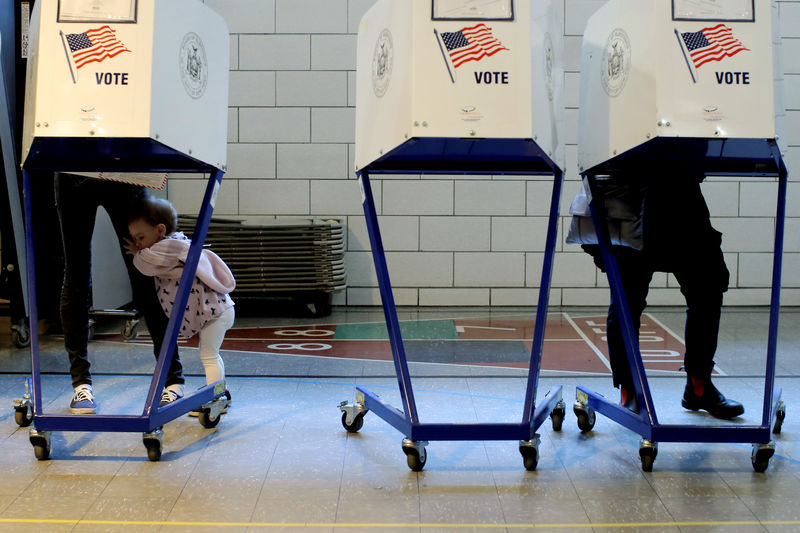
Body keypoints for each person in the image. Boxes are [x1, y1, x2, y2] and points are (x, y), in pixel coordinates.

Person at [566, 171, 744, 419]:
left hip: (682, 196)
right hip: (628, 198)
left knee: (708, 287)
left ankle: (699, 386)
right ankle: (629, 390)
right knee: (626, 301)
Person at [56, 173, 186, 414]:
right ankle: (81, 384)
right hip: (79, 159)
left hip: (117, 161)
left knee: (144, 267)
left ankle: (173, 380)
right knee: (77, 274)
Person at [124, 196, 235, 413]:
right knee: (211, 354)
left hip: (215, 312)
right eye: (134, 239)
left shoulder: (168, 248)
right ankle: (220, 391)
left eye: (140, 237)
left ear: (160, 230)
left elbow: (145, 264)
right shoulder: (174, 245)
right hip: (217, 311)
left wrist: (136, 254)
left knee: (209, 355)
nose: (137, 243)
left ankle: (215, 399)